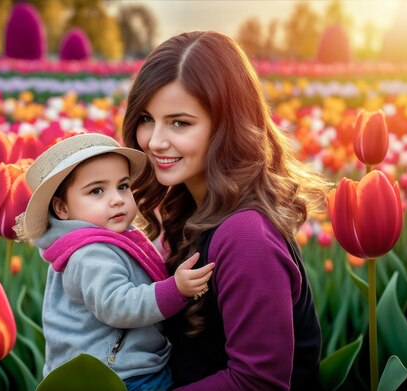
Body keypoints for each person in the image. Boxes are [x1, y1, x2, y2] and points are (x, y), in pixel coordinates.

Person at [122, 31, 330, 390]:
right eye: (145, 118)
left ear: (226, 125)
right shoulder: (189, 207)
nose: (154, 141)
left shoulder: (245, 235)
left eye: (179, 123)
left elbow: (258, 382)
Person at [14, 133, 214, 391]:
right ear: (62, 208)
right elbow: (117, 305)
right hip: (121, 376)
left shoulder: (100, 240)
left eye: (122, 186)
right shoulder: (91, 252)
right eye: (97, 190)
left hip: (112, 370)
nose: (117, 198)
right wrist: (175, 290)